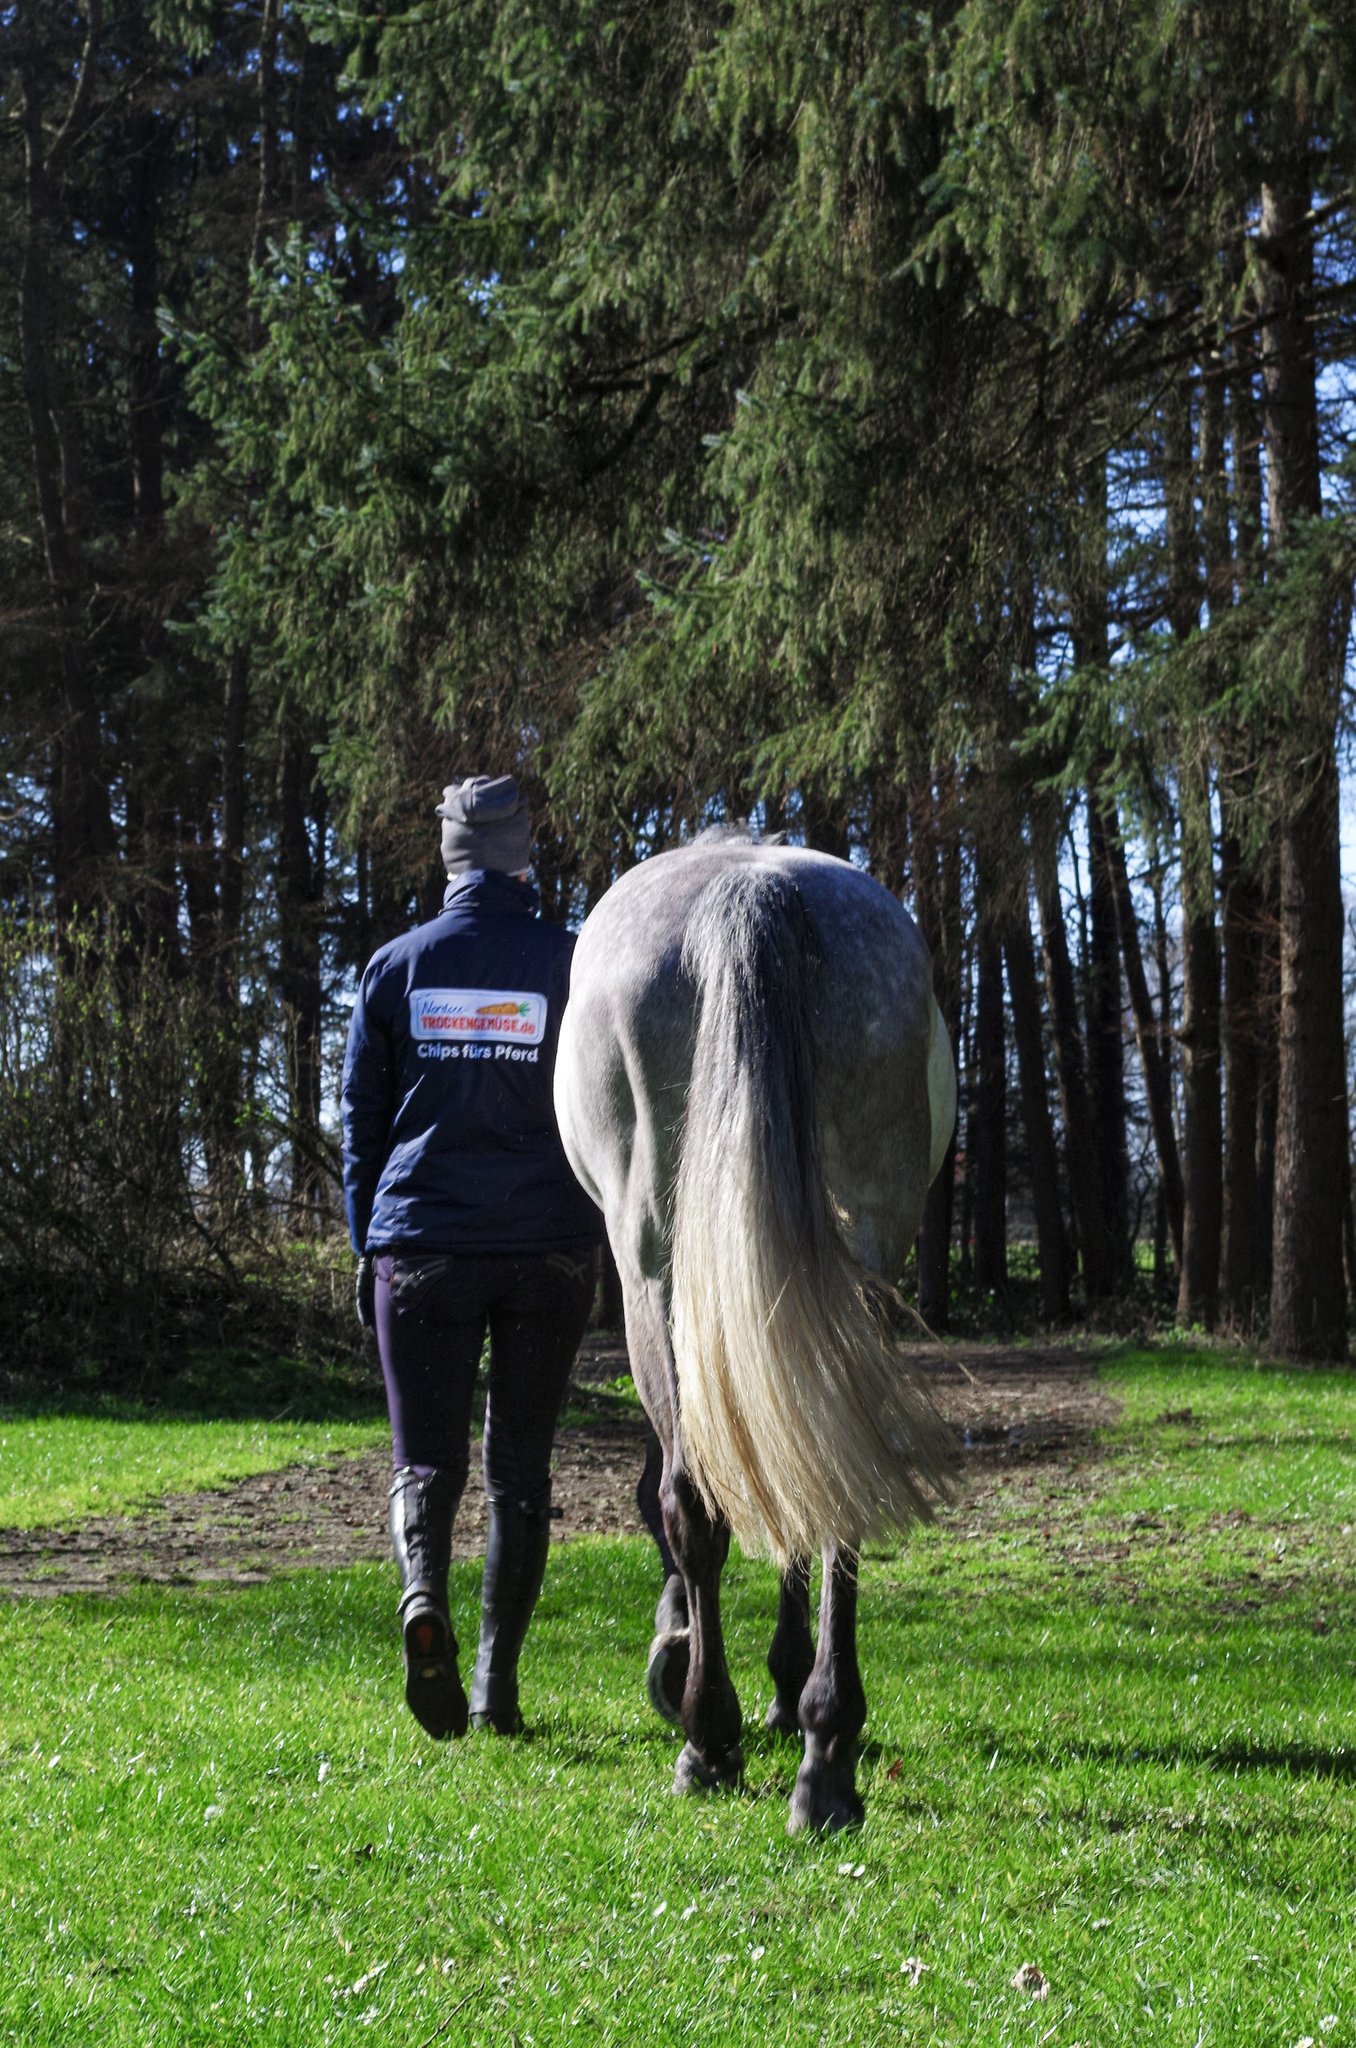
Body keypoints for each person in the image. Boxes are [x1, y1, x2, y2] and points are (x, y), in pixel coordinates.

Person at [341, 774, 603, 1740]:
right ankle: (494, 1684)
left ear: (450, 861)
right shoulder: (576, 966)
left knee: (425, 1462)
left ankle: (422, 1600)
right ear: (524, 859)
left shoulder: (395, 968)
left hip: (420, 1249)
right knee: (519, 1469)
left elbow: (361, 1131)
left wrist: (370, 1241)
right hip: (548, 1250)